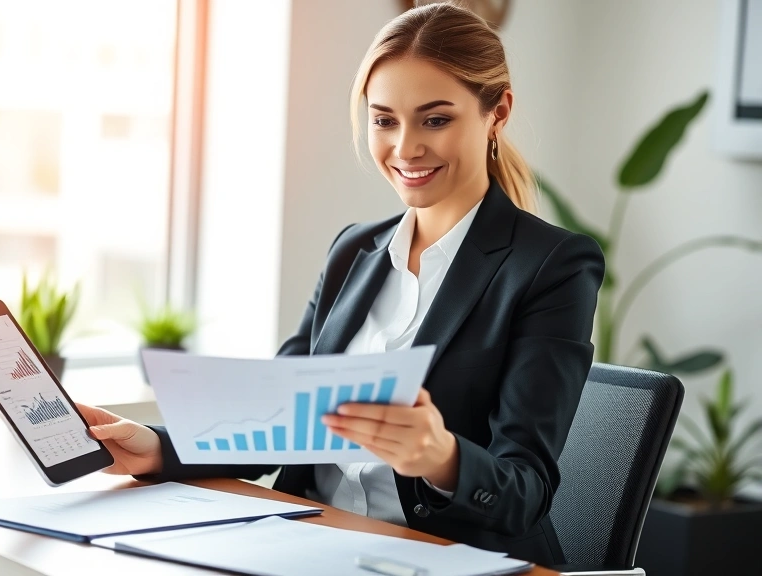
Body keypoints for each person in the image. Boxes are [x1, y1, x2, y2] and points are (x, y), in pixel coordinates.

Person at [77, 2, 604, 566]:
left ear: (496, 112)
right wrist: (156, 446)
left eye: (436, 119)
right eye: (384, 120)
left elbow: (523, 493)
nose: (405, 148)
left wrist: (440, 455)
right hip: (313, 545)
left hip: (441, 557)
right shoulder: (355, 249)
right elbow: (273, 420)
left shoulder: (552, 265)